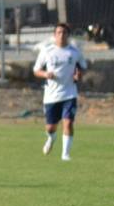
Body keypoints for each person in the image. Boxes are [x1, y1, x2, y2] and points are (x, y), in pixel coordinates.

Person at [33, 23, 87, 162]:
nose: (61, 35)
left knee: (68, 123)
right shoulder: (47, 51)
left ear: (68, 35)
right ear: (54, 35)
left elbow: (81, 68)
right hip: (51, 95)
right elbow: (36, 70)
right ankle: (51, 138)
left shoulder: (74, 52)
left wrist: (78, 76)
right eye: (59, 32)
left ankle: (65, 154)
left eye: (64, 32)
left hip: (69, 93)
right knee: (51, 127)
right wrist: (46, 74)